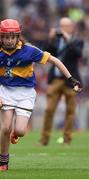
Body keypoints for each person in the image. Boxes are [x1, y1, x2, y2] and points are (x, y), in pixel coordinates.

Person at [0, 18, 82, 172]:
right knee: (5, 127)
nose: (9, 40)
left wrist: (70, 79)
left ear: (17, 36)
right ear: (1, 37)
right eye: (6, 37)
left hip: (26, 94)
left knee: (21, 131)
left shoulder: (29, 50)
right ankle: (3, 163)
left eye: (12, 37)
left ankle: (15, 134)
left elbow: (55, 60)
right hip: (6, 92)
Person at [39, 17, 84, 146]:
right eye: (61, 26)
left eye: (66, 26)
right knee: (49, 110)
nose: (63, 28)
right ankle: (44, 140)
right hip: (55, 79)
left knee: (70, 111)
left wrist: (67, 39)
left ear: (71, 27)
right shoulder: (56, 41)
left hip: (70, 81)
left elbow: (78, 54)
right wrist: (51, 38)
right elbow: (46, 52)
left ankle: (67, 139)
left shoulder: (76, 41)